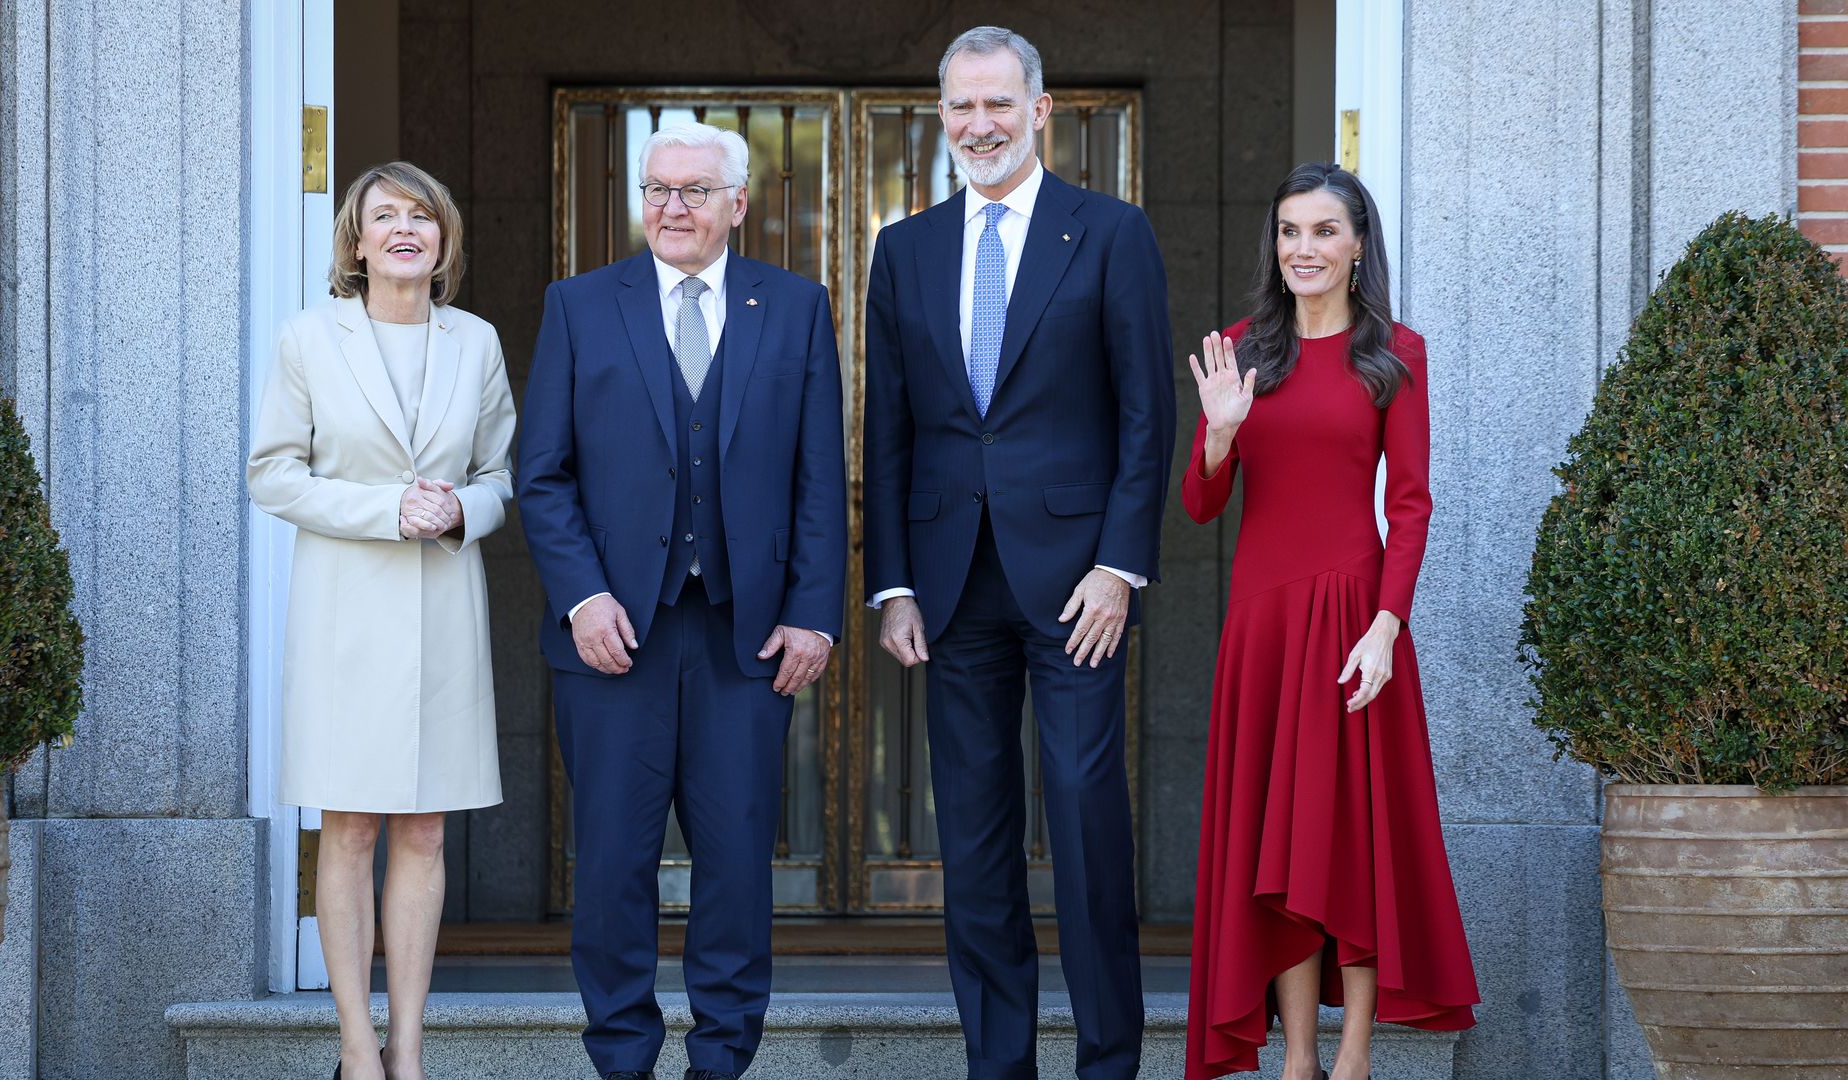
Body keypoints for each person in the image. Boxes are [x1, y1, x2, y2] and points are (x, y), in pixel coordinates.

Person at [862, 25, 1175, 1080]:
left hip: (1079, 585)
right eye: (961, 107)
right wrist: (893, 582)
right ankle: (997, 1064)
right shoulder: (904, 249)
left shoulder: (1110, 233)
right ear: (941, 117)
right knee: (978, 846)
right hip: (951, 588)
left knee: (1088, 833)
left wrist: (1121, 566)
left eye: (999, 104)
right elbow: (890, 429)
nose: (980, 125)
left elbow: (1147, 413)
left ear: (1041, 111)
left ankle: (1107, 1061)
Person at [516, 121, 845, 1080]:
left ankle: (722, 1060)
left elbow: (818, 476)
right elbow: (543, 476)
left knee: (737, 864)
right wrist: (581, 599)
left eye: (696, 191)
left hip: (748, 638)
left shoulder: (794, 307)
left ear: (738, 203)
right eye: (657, 189)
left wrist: (814, 611)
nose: (672, 207)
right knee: (613, 863)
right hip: (614, 637)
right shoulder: (579, 306)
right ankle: (622, 1057)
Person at [1181, 162, 1480, 1080]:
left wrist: (1389, 625)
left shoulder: (1396, 355)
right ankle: (1298, 1061)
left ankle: (1353, 1057)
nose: (1301, 249)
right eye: (1288, 233)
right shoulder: (1241, 351)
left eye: (1321, 232)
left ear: (1357, 246)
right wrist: (1221, 432)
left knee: (1348, 834)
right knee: (1278, 843)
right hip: (1263, 629)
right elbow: (1200, 505)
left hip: (1357, 621)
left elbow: (1416, 504)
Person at [247, 161, 516, 1080]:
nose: (406, 230)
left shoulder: (475, 342)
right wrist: (384, 509)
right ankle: (356, 1050)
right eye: (385, 217)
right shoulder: (309, 339)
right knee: (351, 826)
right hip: (345, 613)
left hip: (441, 610)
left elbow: (499, 477)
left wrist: (460, 514)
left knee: (426, 830)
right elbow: (272, 472)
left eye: (422, 217)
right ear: (356, 244)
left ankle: (409, 1051)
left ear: (443, 240)